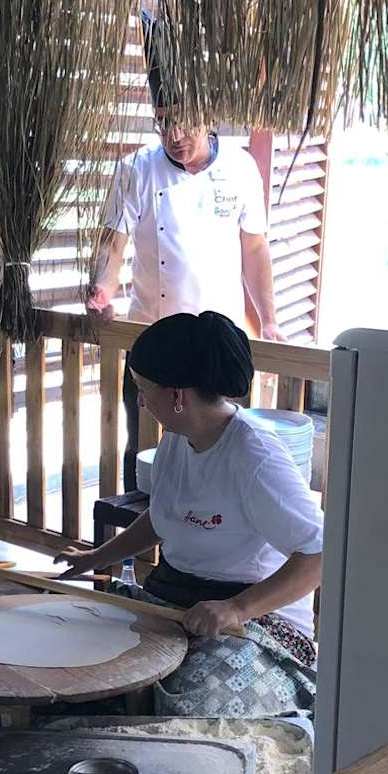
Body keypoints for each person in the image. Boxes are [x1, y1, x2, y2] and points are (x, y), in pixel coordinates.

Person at [59, 312, 322, 719]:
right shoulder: (177, 440)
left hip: (257, 620)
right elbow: (164, 516)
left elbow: (319, 556)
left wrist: (237, 608)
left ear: (177, 395)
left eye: (144, 389)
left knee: (188, 707)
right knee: (83, 659)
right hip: (175, 597)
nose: (141, 401)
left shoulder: (254, 456)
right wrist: (97, 557)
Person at [86, 104, 283, 490]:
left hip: (218, 343)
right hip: (151, 341)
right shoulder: (136, 169)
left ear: (209, 114)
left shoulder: (241, 168)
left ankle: (211, 527)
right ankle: (143, 528)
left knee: (224, 453)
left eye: (184, 122)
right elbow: (113, 243)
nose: (174, 136)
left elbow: (255, 249)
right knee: (143, 452)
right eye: (163, 123)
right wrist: (101, 289)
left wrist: (269, 320)